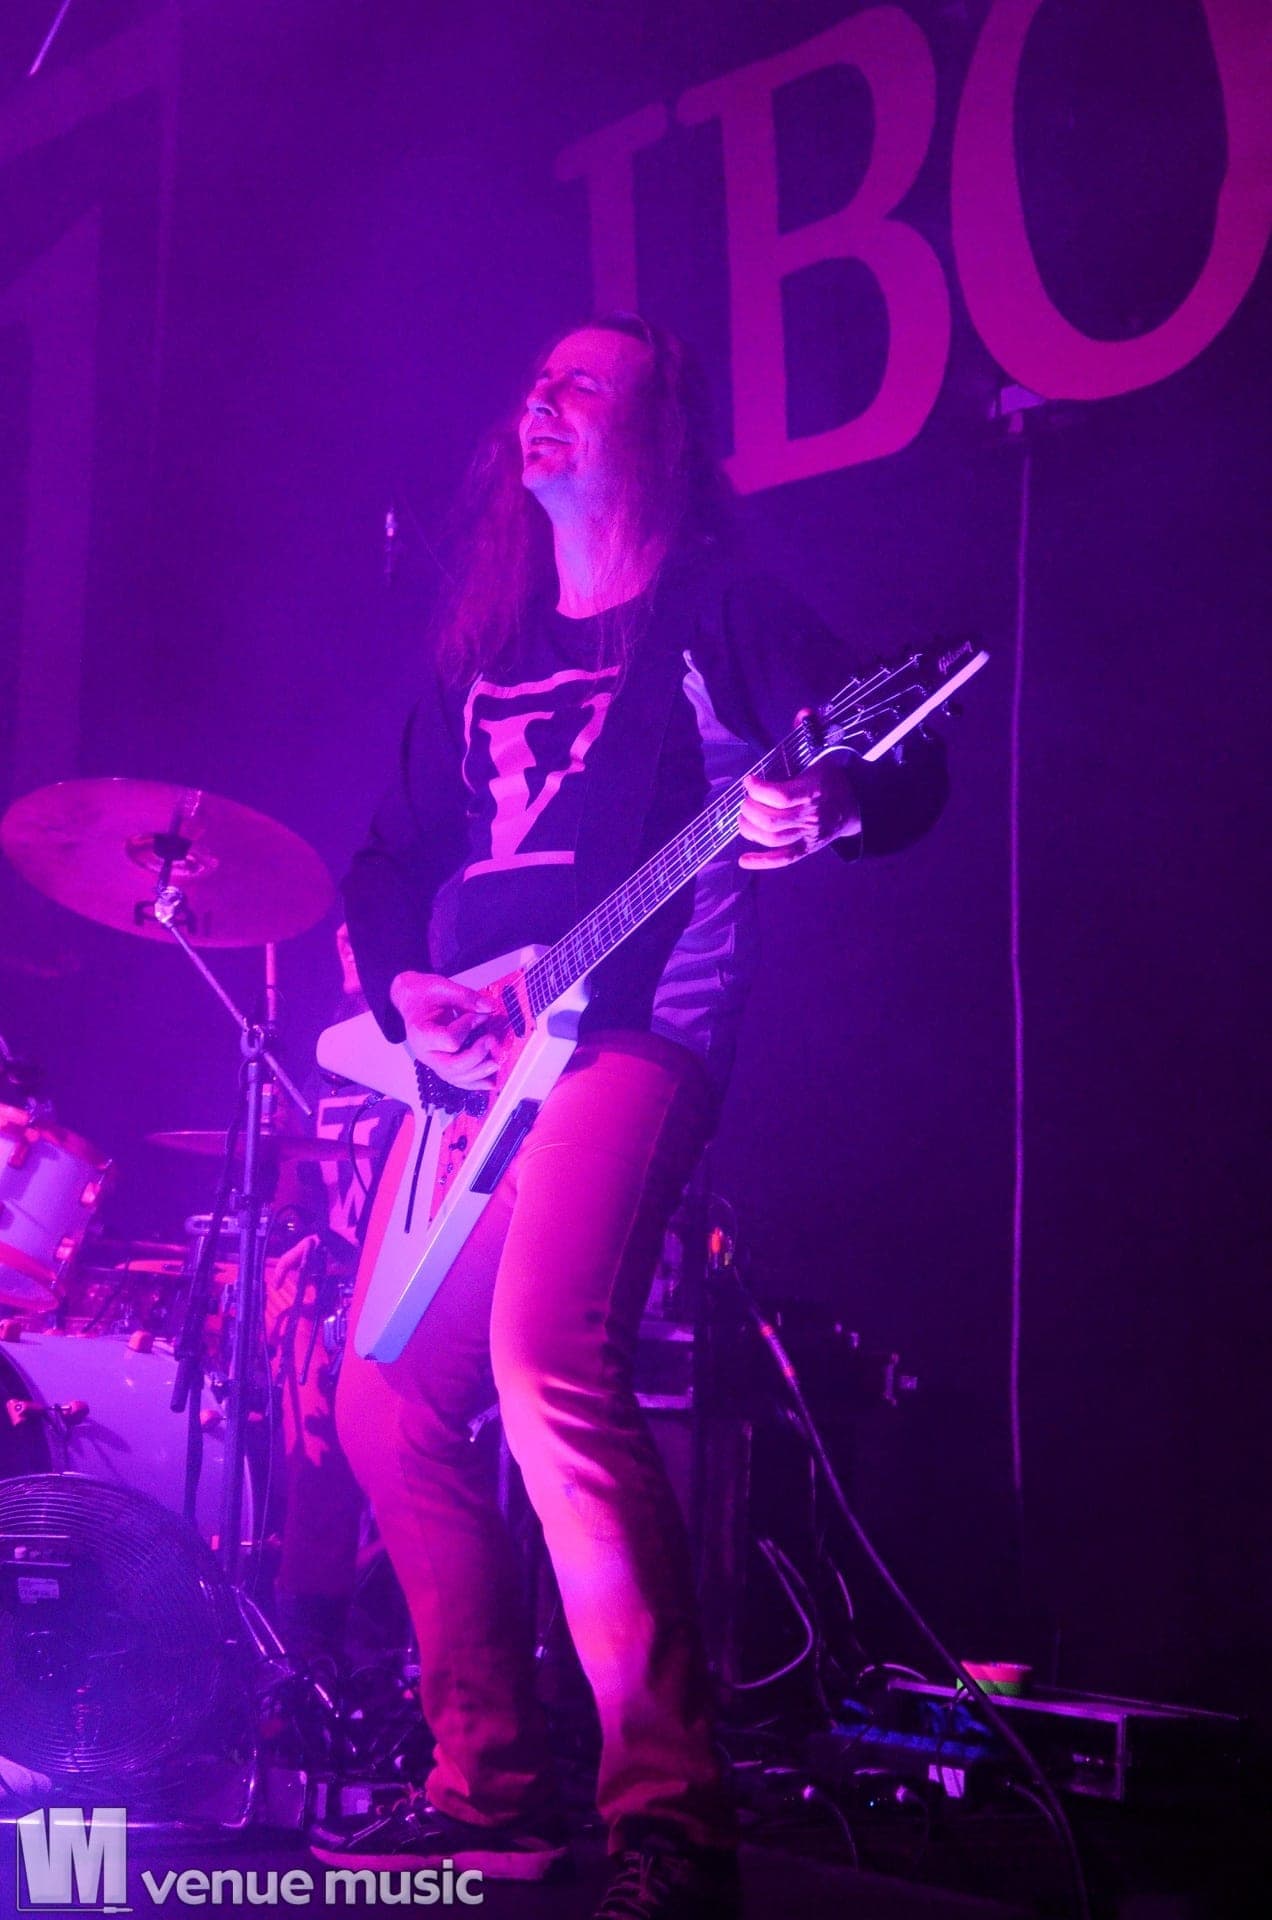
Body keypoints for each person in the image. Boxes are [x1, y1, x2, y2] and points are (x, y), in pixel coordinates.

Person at [315, 315, 947, 1918]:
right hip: (477, 1060)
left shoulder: (718, 610)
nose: (543, 399)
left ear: (657, 431)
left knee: (545, 1358)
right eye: (536, 382)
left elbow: (893, 748)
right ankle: (489, 1795)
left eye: (583, 384)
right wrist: (407, 996)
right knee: (383, 1395)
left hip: (637, 1030)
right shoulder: (484, 650)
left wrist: (836, 800)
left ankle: (671, 1816)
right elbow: (383, 861)